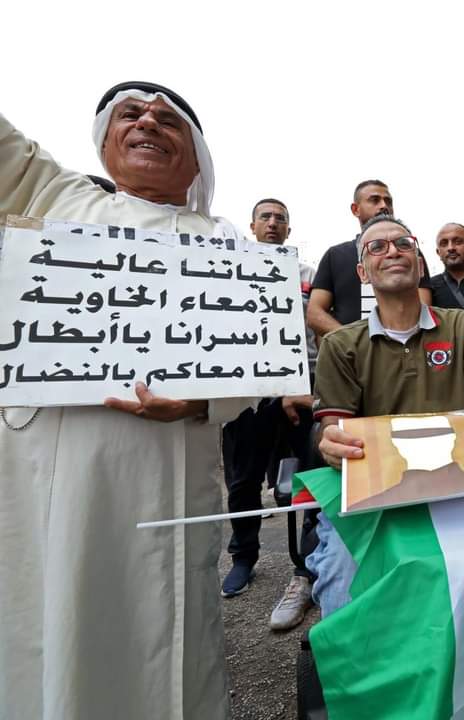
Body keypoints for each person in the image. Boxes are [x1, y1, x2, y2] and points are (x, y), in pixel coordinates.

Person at [0, 81, 256, 719]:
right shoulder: (56, 197)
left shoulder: (226, 241)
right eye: (131, 114)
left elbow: (258, 362)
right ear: (105, 142)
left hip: (172, 476)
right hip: (57, 486)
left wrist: (200, 403)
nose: (147, 124)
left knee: (168, 640)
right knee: (59, 631)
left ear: (195, 160)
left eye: (168, 120)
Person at [305, 215, 464, 616]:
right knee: (342, 587)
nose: (393, 252)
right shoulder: (340, 344)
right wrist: (329, 443)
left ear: (419, 264)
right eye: (377, 247)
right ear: (363, 273)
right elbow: (333, 429)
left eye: (403, 244)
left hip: (458, 483)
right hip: (371, 495)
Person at [218, 199, 320, 631]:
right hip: (247, 390)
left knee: (312, 478)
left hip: (301, 385)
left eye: (281, 218)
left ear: (289, 228)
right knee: (243, 479)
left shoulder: (308, 274)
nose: (273, 223)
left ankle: (309, 564)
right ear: (253, 225)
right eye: (266, 217)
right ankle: (244, 556)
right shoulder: (229, 267)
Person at [307, 180, 433, 338]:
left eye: (388, 201)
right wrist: (353, 343)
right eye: (374, 200)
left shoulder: (409, 252)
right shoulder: (335, 255)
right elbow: (314, 313)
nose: (384, 206)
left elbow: (423, 306)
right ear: (355, 209)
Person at [429, 221, 464, 309]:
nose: (450, 248)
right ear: (438, 253)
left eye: (458, 242)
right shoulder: (430, 287)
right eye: (444, 244)